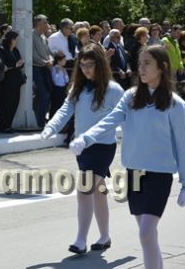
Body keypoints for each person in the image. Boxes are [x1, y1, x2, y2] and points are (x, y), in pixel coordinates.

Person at [70, 45, 185, 268]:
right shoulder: (130, 97)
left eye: (147, 63)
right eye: (139, 63)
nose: (141, 68)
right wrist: (86, 138)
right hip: (134, 174)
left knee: (146, 233)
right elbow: (109, 120)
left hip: (160, 175)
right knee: (149, 236)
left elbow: (182, 146)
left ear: (162, 67)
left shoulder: (176, 105)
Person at [41, 44, 124, 254]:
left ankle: (80, 239)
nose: (86, 70)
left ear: (101, 64)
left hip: (103, 147)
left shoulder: (113, 90)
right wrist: (51, 126)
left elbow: (129, 115)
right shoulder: (77, 88)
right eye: (83, 65)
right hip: (82, 149)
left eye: (90, 65)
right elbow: (64, 110)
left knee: (84, 189)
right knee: (98, 192)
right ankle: (105, 236)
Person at [0, 30, 25, 133]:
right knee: (6, 104)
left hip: (16, 81)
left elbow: (19, 62)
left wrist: (21, 63)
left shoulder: (15, 50)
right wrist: (15, 65)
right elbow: (3, 64)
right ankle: (3, 126)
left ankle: (9, 125)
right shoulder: (2, 50)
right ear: (11, 39)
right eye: (15, 39)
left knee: (14, 103)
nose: (16, 41)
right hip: (7, 81)